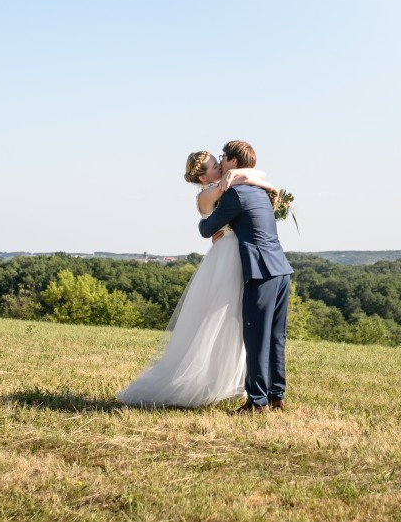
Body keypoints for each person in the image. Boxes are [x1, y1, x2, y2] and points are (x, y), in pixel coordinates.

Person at [115, 149, 278, 408]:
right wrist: (235, 178)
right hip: (226, 259)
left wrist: (253, 180)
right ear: (203, 177)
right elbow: (241, 185)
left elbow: (253, 176)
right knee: (217, 319)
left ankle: (234, 382)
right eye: (214, 166)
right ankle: (202, 382)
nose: (219, 168)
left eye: (218, 163)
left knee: (238, 321)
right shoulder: (207, 194)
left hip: (241, 256)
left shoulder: (226, 182)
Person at [199, 140, 293, 413]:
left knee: (256, 338)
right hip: (281, 269)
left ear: (233, 162)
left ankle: (257, 402)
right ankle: (277, 397)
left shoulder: (235, 195)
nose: (220, 163)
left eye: (223, 159)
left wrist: (207, 219)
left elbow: (207, 229)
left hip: (261, 271)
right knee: (276, 337)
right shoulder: (258, 191)